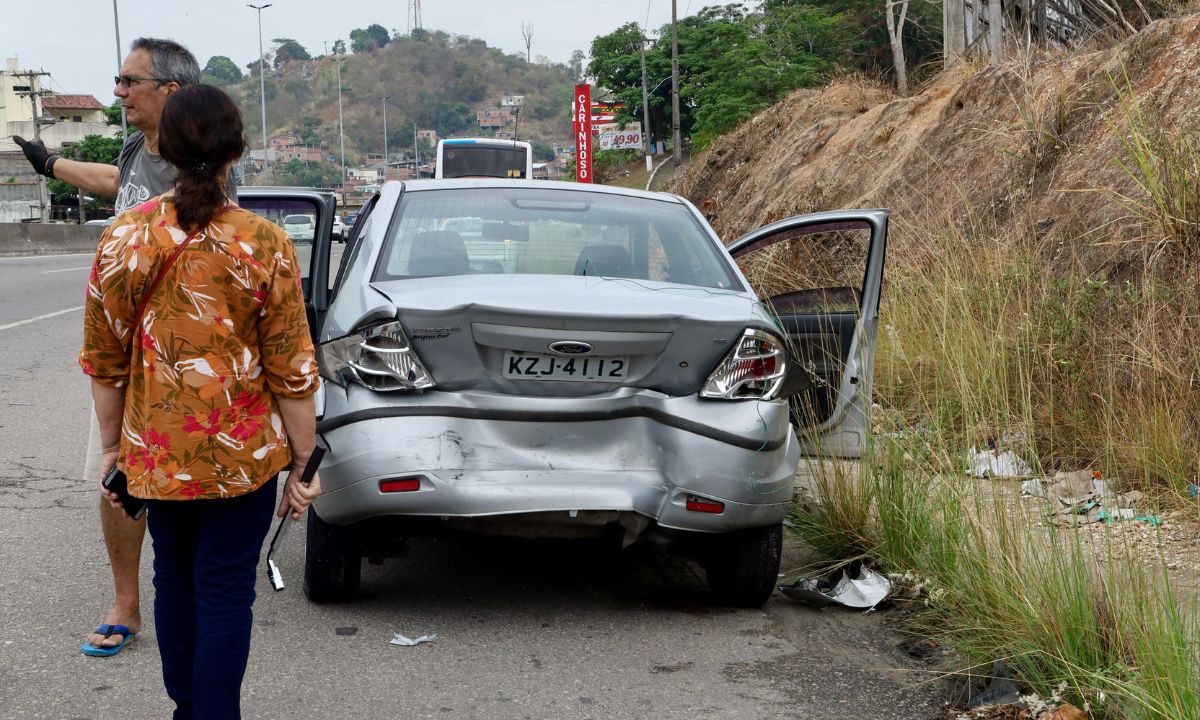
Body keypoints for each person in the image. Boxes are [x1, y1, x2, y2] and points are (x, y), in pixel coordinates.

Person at [80, 83, 320, 718]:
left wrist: (113, 449)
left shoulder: (124, 238)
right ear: (238, 149)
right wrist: (303, 460)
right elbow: (292, 369)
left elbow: (104, 361)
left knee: (175, 581)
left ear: (163, 147)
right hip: (243, 460)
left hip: (155, 457)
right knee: (223, 591)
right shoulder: (264, 242)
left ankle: (190, 707)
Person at [13, 37, 235, 657]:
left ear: (170, 90)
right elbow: (118, 181)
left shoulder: (210, 163)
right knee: (114, 474)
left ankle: (197, 604)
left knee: (192, 491)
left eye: (129, 80)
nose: (118, 92)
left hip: (191, 364)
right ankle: (126, 602)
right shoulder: (139, 147)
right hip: (123, 356)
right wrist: (48, 166)